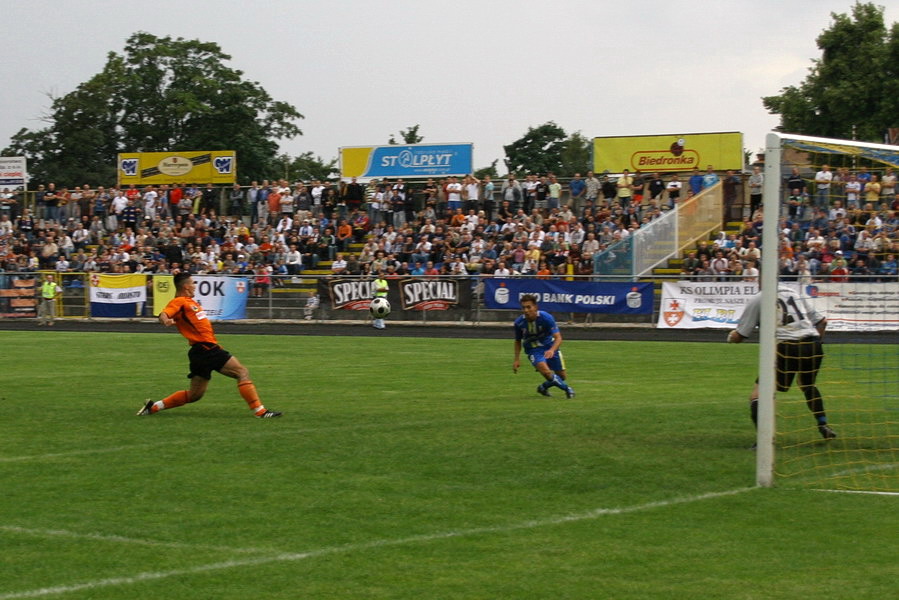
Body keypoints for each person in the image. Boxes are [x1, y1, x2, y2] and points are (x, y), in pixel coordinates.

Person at [137, 273, 281, 418]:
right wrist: (165, 320)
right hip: (206, 348)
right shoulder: (180, 301)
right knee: (242, 372)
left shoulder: (190, 302)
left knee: (195, 395)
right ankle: (260, 411)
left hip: (200, 351)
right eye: (193, 283)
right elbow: (164, 314)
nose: (195, 286)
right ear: (186, 286)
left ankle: (153, 407)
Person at [727, 284, 836, 441]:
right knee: (807, 385)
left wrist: (730, 337)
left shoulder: (760, 298)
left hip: (787, 346)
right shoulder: (795, 293)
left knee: (759, 394)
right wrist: (817, 343)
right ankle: (823, 424)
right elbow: (822, 322)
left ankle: (764, 441)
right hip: (813, 344)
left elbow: (740, 336)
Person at [512, 294, 575, 399]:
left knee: (561, 377)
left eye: (529, 307)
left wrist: (551, 350)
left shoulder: (546, 318)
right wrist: (516, 359)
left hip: (549, 346)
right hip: (533, 350)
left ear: (535, 307)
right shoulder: (519, 323)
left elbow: (558, 338)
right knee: (546, 372)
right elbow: (517, 341)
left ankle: (543, 387)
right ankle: (568, 389)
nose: (526, 310)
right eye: (523, 308)